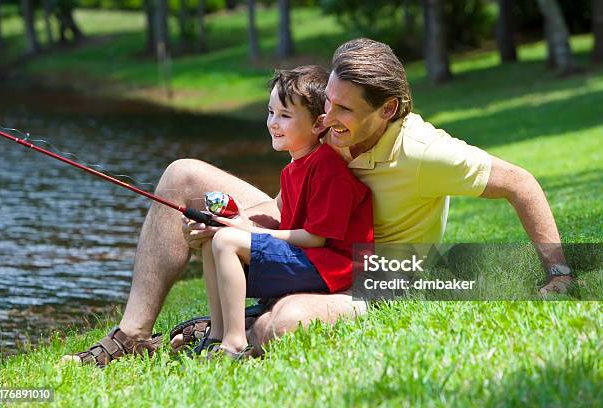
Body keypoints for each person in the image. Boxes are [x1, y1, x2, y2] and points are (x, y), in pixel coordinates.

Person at [64, 38, 573, 367]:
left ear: (388, 109)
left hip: (377, 272)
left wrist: (559, 274)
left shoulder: (425, 152)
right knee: (183, 176)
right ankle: (132, 335)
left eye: (343, 108)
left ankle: (228, 329)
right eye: (326, 100)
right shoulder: (328, 133)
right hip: (314, 239)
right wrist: (231, 226)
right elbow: (290, 206)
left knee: (280, 324)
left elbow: (520, 182)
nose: (326, 116)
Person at [195, 65, 373, 359]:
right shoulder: (293, 169)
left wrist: (249, 231)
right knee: (213, 237)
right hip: (311, 259)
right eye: (270, 112)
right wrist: (240, 222)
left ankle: (234, 343)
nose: (273, 123)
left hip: (335, 267)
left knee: (227, 241)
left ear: (318, 125)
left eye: (285, 116)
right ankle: (217, 333)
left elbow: (315, 239)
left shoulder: (327, 168)